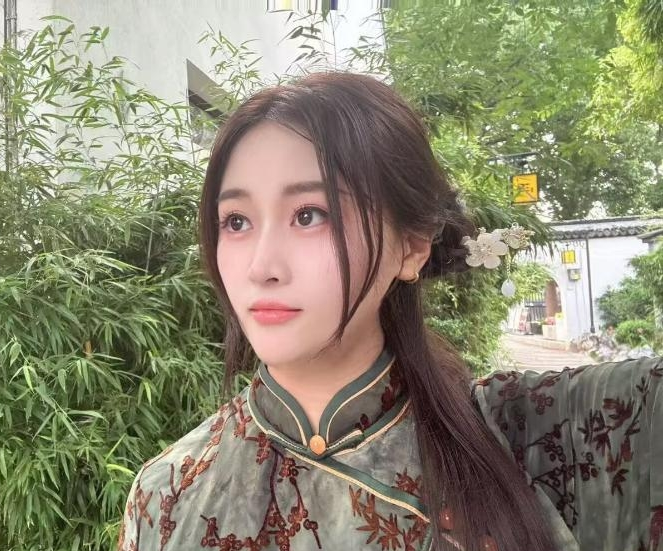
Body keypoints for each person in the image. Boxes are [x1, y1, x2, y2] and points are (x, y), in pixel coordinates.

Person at [116, 72, 662, 551]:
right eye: (236, 221)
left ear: (412, 246)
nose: (261, 266)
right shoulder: (169, 495)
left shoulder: (546, 435)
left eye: (309, 214)